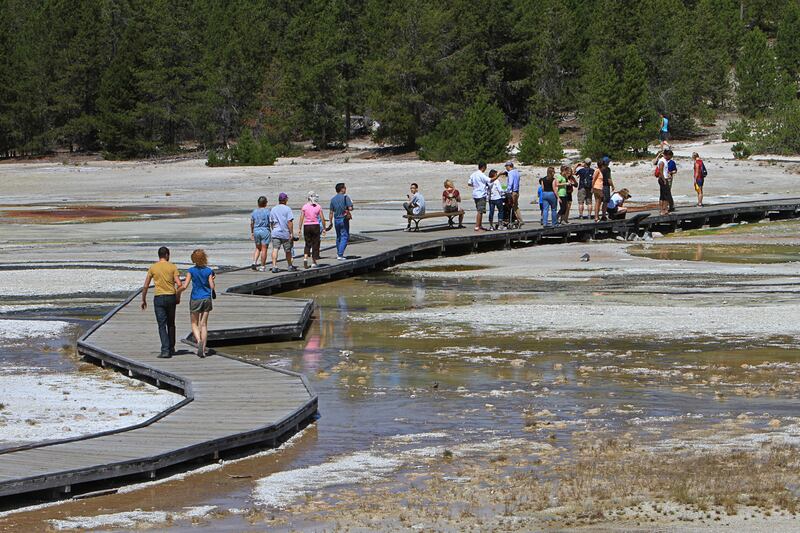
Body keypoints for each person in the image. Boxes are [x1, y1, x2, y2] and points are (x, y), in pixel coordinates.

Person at [140, 246, 183, 358]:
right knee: (171, 323)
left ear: (159, 255)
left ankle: (165, 350)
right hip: (171, 297)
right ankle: (171, 348)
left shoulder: (153, 267)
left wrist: (143, 299)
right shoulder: (172, 267)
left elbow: (145, 286)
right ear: (167, 255)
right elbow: (179, 284)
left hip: (159, 298)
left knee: (161, 325)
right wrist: (178, 296)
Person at [183, 249, 215, 358]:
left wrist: (178, 291)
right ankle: (204, 350)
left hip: (195, 298)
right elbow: (211, 286)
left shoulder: (191, 271)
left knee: (194, 323)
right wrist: (213, 279)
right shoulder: (208, 271)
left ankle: (198, 340)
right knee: (204, 324)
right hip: (206, 298)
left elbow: (186, 285)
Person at [270, 192, 297, 273]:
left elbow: (271, 222)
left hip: (275, 232)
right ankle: (289, 265)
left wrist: (273, 229)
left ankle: (274, 266)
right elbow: (290, 222)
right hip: (285, 233)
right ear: (285, 200)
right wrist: (291, 233)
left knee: (275, 249)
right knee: (288, 250)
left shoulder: (273, 209)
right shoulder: (287, 209)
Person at [298, 191, 327, 268]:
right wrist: (324, 228)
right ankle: (314, 261)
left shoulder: (304, 207)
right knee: (315, 244)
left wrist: (299, 228)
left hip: (306, 226)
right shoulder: (318, 206)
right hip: (315, 225)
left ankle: (305, 258)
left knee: (307, 243)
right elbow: (322, 218)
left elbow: (301, 218)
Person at [327, 182, 353, 260]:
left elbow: (331, 212)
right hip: (343, 219)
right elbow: (350, 208)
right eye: (345, 188)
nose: (345, 189)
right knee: (345, 236)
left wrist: (330, 222)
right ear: (342, 189)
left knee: (338, 236)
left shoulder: (333, 199)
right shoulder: (346, 197)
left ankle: (339, 253)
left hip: (336, 219)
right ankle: (340, 254)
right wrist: (351, 206)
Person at [250, 196, 271, 272]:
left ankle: (254, 262)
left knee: (257, 248)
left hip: (256, 230)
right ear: (265, 203)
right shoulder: (268, 211)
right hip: (265, 230)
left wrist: (252, 232)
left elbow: (252, 223)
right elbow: (271, 222)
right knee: (264, 249)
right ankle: (262, 266)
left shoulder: (254, 212)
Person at [467, 162, 490, 231]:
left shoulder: (473, 174)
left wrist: (475, 186)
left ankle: (480, 225)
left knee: (480, 210)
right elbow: (490, 180)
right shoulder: (481, 174)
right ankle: (477, 226)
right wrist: (498, 176)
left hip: (475, 194)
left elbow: (469, 183)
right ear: (483, 167)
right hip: (481, 194)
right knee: (480, 211)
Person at [501, 161, 523, 226]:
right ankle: (520, 220)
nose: (506, 168)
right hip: (517, 191)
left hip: (512, 192)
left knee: (510, 206)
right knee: (516, 206)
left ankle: (513, 220)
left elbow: (510, 183)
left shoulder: (510, 173)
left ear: (509, 166)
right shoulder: (517, 172)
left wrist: (507, 191)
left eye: (506, 166)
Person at [592, 157, 614, 222]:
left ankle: (597, 216)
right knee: (605, 202)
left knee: (598, 202)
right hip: (605, 186)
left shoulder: (598, 169)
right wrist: (612, 186)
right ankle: (603, 215)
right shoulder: (606, 169)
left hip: (599, 187)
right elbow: (609, 179)